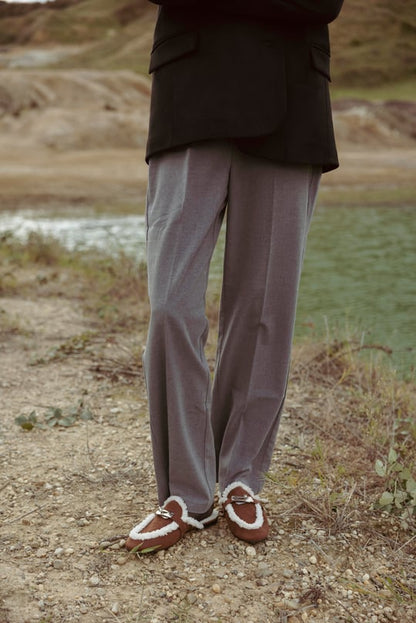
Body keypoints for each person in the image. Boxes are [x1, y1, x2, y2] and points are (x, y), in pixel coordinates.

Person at [126, 0, 344, 553]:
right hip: (189, 96)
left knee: (266, 308)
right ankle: (185, 494)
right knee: (171, 303)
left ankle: (242, 478)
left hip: (291, 99)